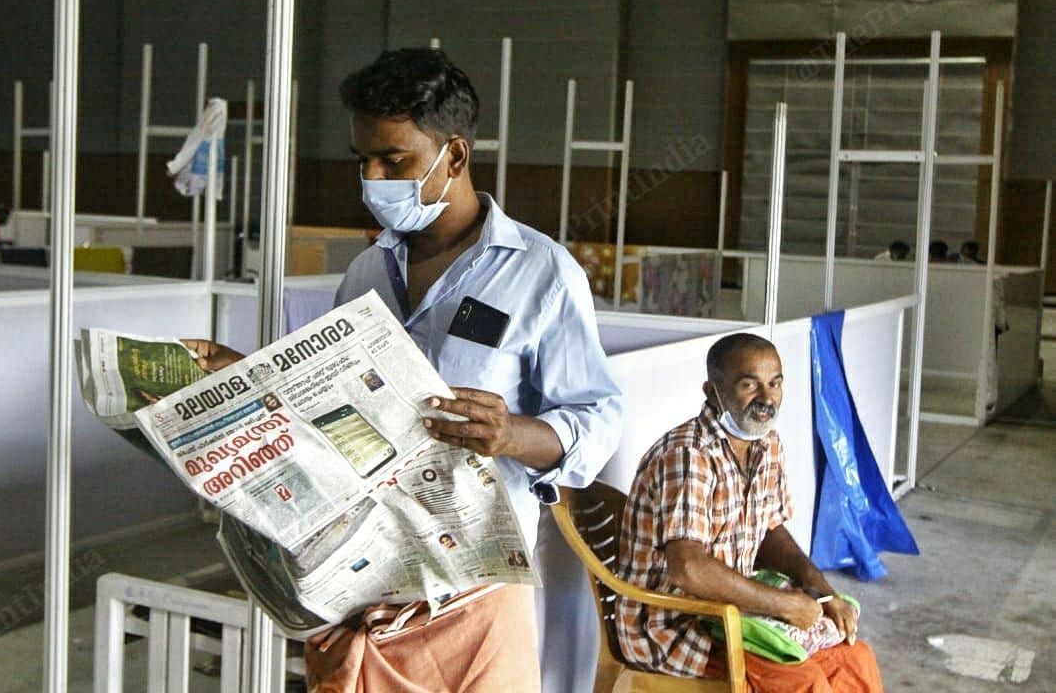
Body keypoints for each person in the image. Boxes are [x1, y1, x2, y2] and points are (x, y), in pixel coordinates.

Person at [183, 48, 622, 691]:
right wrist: (249, 377)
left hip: (472, 591)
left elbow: (598, 417)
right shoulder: (367, 273)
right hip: (362, 585)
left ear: (455, 156)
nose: (373, 177)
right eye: (363, 160)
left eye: (394, 160)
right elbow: (333, 404)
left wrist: (511, 435)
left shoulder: (540, 272)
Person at [616, 333, 883, 691]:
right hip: (674, 625)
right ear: (713, 392)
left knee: (854, 658)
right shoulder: (689, 455)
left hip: (734, 612)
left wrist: (821, 592)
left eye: (775, 383)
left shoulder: (766, 443)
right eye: (749, 384)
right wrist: (783, 605)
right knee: (802, 683)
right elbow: (688, 567)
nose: (767, 398)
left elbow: (770, 530)